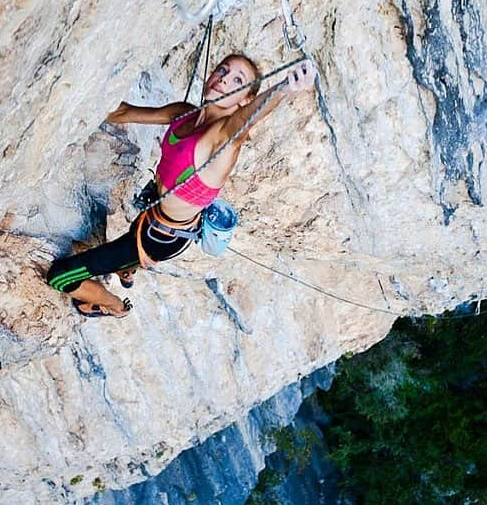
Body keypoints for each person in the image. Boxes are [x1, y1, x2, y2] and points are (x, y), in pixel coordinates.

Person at [47, 54, 316, 317]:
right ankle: (126, 268)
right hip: (152, 212)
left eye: (237, 81)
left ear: (244, 99)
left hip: (163, 238)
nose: (223, 80)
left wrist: (283, 88)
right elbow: (124, 113)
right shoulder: (185, 113)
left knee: (60, 277)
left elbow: (246, 120)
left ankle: (114, 305)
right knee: (126, 247)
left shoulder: (222, 140)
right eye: (223, 70)